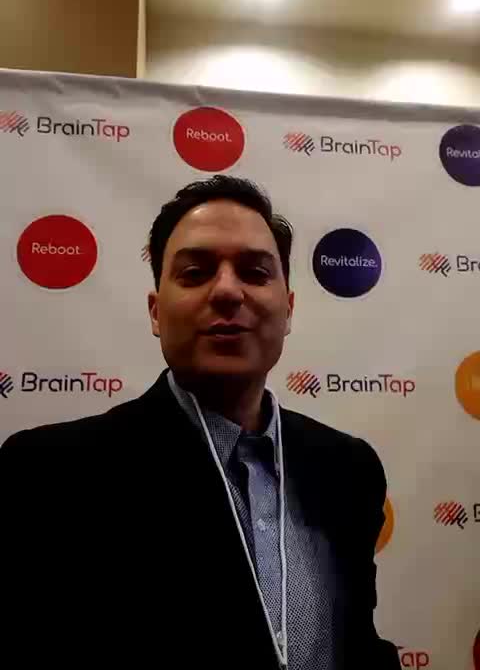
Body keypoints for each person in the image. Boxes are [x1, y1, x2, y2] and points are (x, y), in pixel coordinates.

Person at [0, 175, 400, 670]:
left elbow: (358, 645)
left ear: (289, 309)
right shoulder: (49, 473)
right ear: (155, 312)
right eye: (195, 272)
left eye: (255, 272)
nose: (228, 291)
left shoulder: (348, 468)